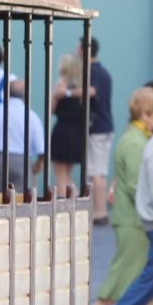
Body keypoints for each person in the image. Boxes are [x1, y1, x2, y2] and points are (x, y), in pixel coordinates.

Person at [91, 87, 153, 305]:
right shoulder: (137, 141)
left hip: (141, 219)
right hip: (136, 220)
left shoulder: (141, 138)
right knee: (126, 274)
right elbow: (140, 186)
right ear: (145, 114)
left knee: (151, 277)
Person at [0, 77, 47, 192]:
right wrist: (38, 164)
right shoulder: (31, 115)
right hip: (21, 159)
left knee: (0, 195)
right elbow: (41, 147)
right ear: (25, 94)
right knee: (22, 197)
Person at [83, 37, 114, 224]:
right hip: (103, 127)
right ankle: (99, 210)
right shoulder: (103, 72)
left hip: (98, 128)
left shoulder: (94, 72)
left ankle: (100, 211)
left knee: (96, 171)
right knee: (98, 171)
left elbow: (92, 91)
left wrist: (69, 91)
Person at [50, 51, 85, 197]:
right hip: (77, 132)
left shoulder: (61, 86)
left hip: (62, 131)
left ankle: (64, 207)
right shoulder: (81, 90)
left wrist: (55, 96)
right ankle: (75, 202)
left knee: (60, 175)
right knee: (68, 174)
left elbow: (50, 110)